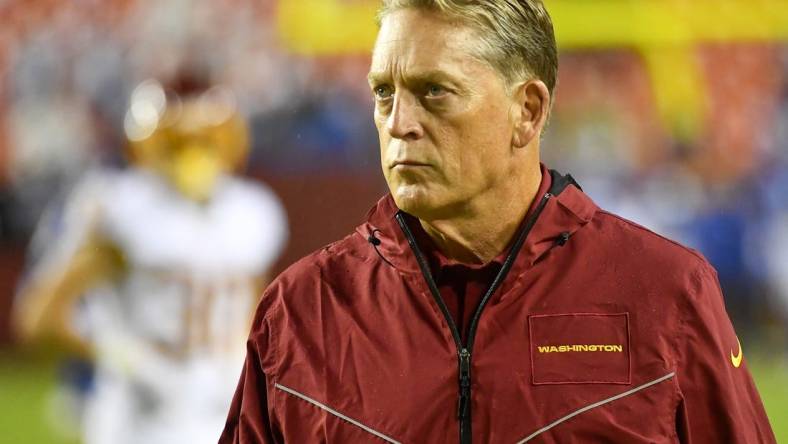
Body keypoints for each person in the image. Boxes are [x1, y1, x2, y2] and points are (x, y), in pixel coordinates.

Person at [220, 1, 776, 442]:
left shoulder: (666, 293)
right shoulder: (300, 310)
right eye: (383, 93)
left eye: (433, 91)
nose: (398, 123)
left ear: (528, 110)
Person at [15, 76, 288, 444]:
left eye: (205, 141)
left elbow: (252, 314)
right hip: (139, 423)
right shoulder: (123, 209)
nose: (194, 155)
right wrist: (123, 356)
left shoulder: (251, 214)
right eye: (178, 142)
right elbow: (37, 318)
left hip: (223, 416)